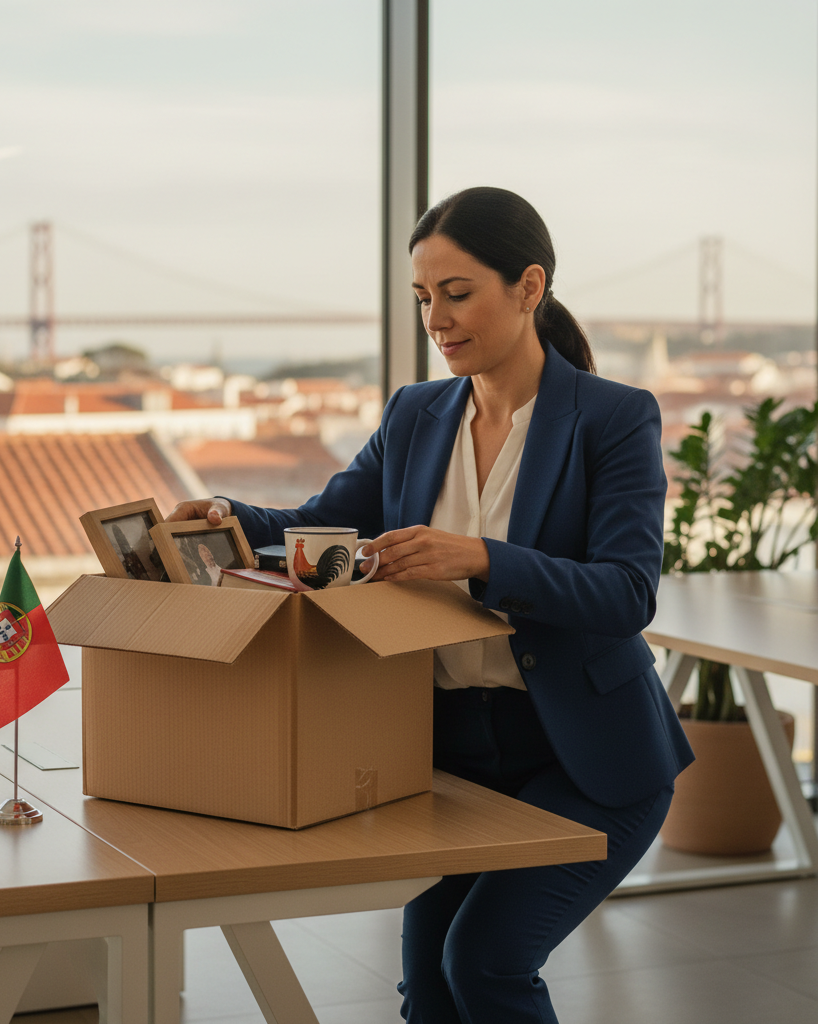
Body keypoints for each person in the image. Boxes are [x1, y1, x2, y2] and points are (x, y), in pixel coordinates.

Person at [166, 186, 694, 1024]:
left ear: (529, 286)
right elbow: (325, 525)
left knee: (483, 964)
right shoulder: (416, 414)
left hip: (588, 757)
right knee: (429, 992)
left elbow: (627, 592)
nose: (436, 320)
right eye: (422, 298)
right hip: (452, 754)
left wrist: (481, 559)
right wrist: (228, 517)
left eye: (456, 293)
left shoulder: (613, 418)